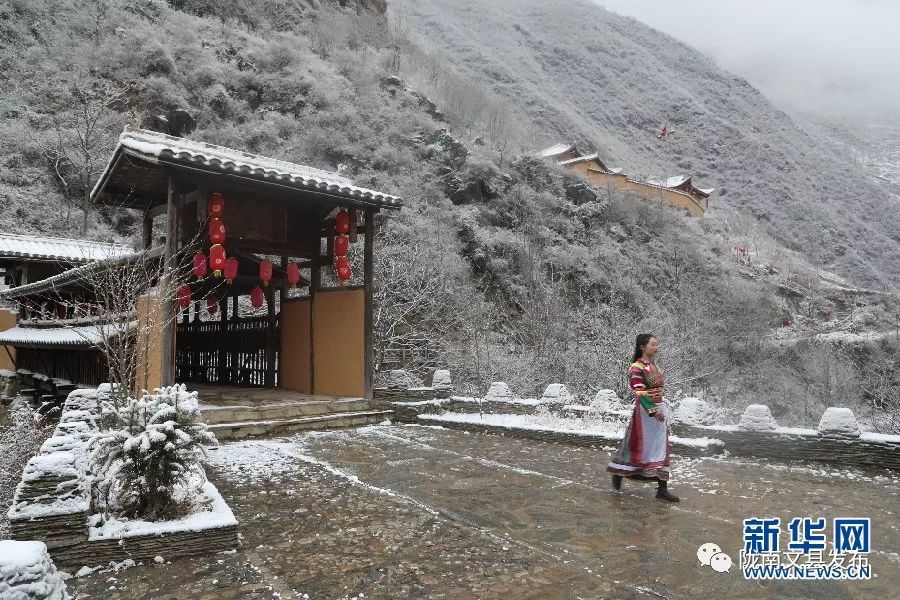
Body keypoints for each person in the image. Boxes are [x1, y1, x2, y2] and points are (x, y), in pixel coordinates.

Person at [606, 333, 680, 502]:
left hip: (659, 408)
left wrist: (661, 408)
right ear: (642, 347)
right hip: (646, 413)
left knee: (660, 447)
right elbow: (639, 392)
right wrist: (653, 410)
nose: (656, 347)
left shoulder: (654, 366)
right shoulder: (636, 368)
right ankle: (619, 473)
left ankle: (662, 488)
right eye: (653, 344)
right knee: (641, 448)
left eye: (656, 344)